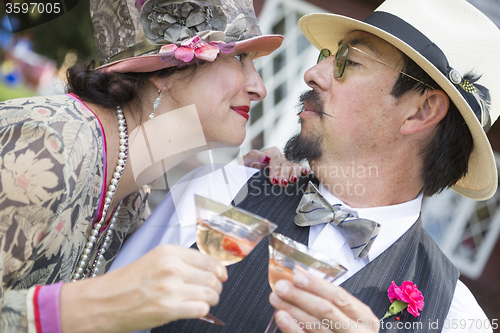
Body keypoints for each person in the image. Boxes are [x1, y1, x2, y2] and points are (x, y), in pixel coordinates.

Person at [114, 0, 500, 332]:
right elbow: (103, 312)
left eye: (348, 61)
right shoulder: (223, 190)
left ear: (421, 111)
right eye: (325, 57)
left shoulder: (453, 317)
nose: (312, 74)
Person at [0, 0, 311, 331]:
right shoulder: (48, 146)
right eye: (238, 58)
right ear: (165, 72)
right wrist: (100, 305)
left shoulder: (131, 199)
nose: (259, 88)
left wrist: (240, 180)